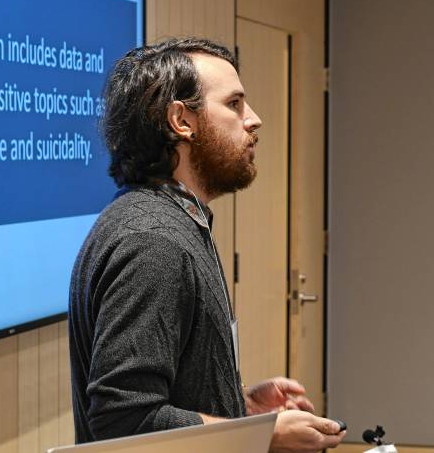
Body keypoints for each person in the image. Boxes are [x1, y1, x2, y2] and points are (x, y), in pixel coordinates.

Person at [68, 37, 346, 452]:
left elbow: (166, 401)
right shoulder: (153, 241)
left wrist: (239, 410)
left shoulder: (175, 219)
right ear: (182, 120)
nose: (254, 120)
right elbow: (123, 419)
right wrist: (264, 436)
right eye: (234, 104)